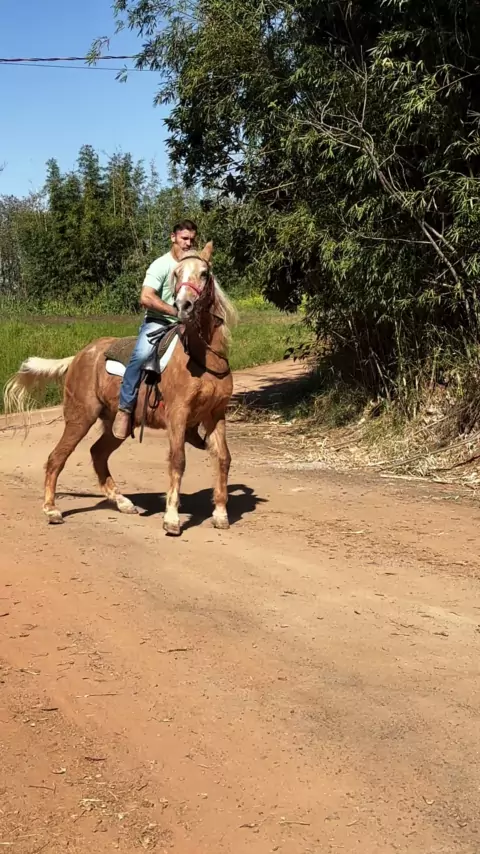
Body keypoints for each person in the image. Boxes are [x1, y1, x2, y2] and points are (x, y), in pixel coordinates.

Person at [112, 219, 197, 441]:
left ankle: (195, 417)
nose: (188, 243)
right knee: (140, 356)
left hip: (187, 322)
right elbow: (146, 297)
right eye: (184, 238)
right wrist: (174, 311)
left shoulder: (193, 265)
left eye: (191, 239)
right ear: (173, 238)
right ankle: (125, 409)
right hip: (158, 322)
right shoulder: (161, 265)